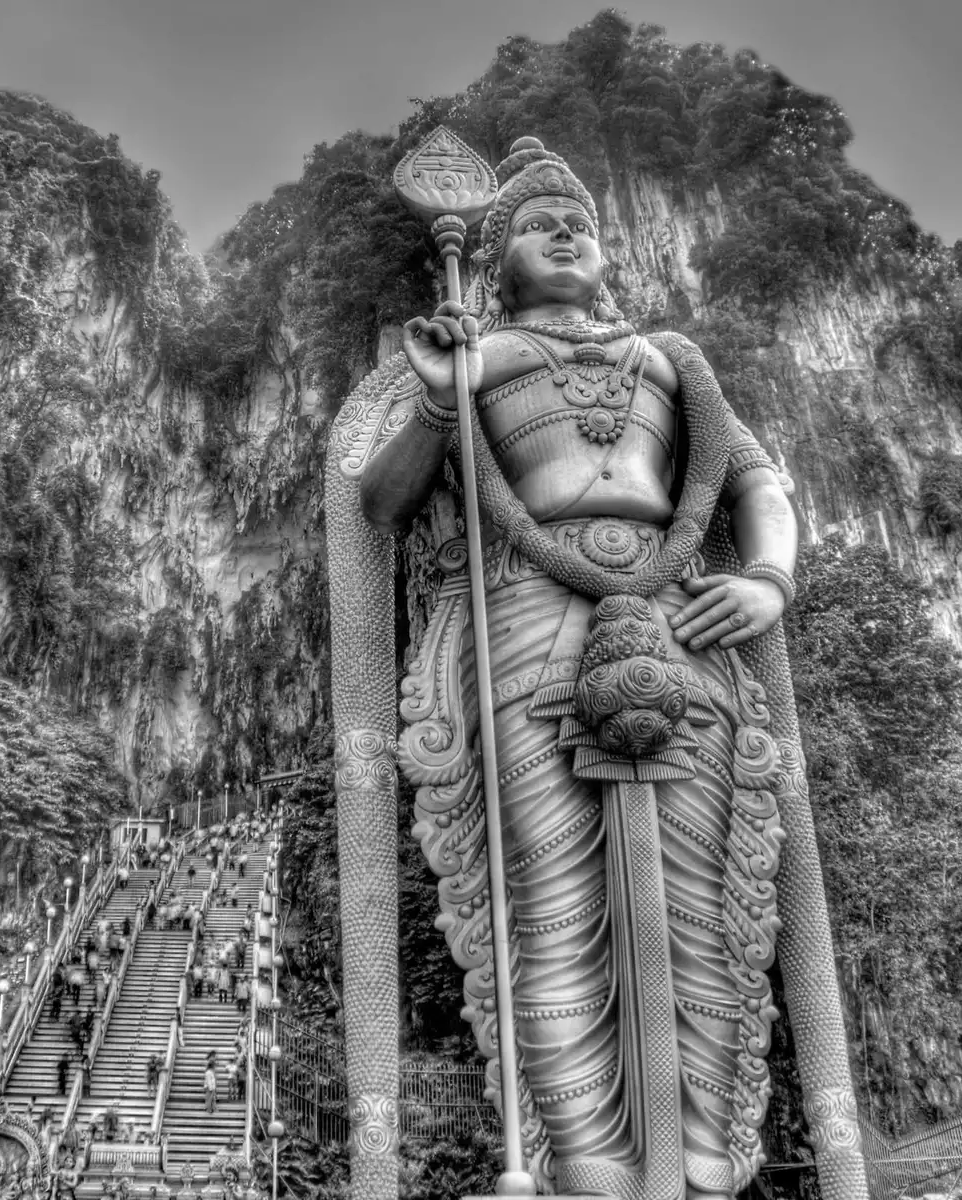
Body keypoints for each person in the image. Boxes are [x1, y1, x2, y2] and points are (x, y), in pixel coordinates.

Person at [328, 134, 855, 1198]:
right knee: (551, 898)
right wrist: (438, 398)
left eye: (581, 220)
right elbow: (379, 504)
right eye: (537, 223)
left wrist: (766, 580)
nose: (567, 233)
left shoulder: (668, 360)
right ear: (495, 254)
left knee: (705, 901)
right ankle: (588, 1168)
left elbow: (759, 486)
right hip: (525, 624)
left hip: (681, 622)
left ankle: (703, 1158)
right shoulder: (477, 358)